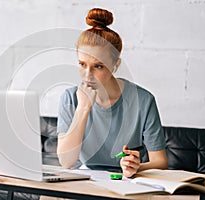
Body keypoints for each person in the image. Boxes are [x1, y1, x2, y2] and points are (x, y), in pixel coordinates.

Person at [56, 7, 168, 178]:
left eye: (98, 66)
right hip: (86, 178)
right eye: (82, 64)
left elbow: (160, 162)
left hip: (127, 179)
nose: (87, 75)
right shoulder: (70, 98)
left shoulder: (144, 100)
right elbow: (66, 162)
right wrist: (83, 109)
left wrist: (136, 167)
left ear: (115, 65)